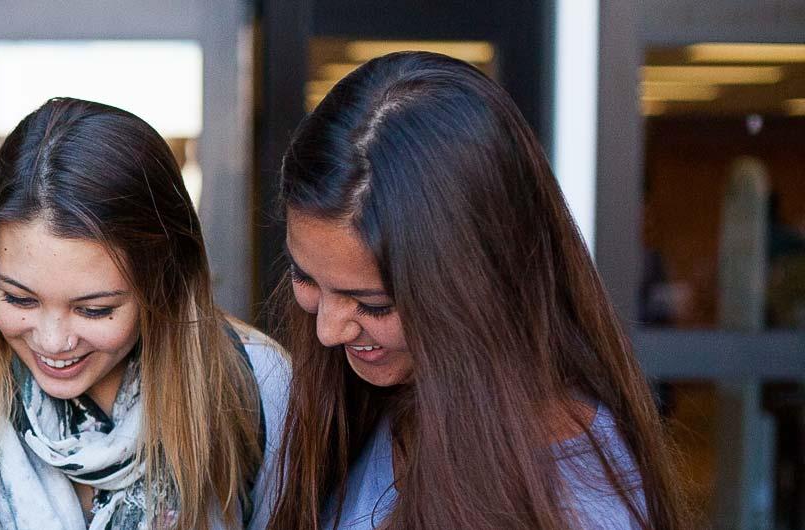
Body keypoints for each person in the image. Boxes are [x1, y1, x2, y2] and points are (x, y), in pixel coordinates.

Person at [264, 51, 688, 530]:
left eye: (373, 303)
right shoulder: (376, 397)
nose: (327, 330)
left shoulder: (580, 504)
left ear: (474, 288)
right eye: (305, 277)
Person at [0, 97, 292, 530]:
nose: (53, 340)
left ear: (163, 284)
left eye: (94, 310)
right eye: (20, 300)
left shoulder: (256, 385)